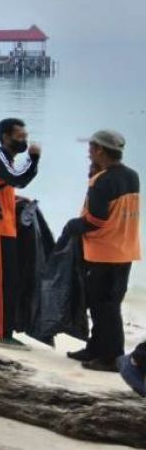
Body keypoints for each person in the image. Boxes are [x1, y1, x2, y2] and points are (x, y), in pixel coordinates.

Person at [64, 130, 140, 371]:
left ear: (100, 150)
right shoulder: (131, 175)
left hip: (104, 251)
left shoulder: (103, 180)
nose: (88, 152)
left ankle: (112, 357)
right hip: (125, 248)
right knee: (108, 302)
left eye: (91, 148)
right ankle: (95, 347)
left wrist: (72, 226)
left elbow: (95, 220)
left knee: (103, 305)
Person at [0, 118, 41, 347]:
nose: (24, 140)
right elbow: (17, 178)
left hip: (0, 224)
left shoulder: (6, 159)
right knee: (4, 280)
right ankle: (1, 333)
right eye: (20, 136)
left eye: (25, 135)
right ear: (5, 137)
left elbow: (15, 183)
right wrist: (33, 158)